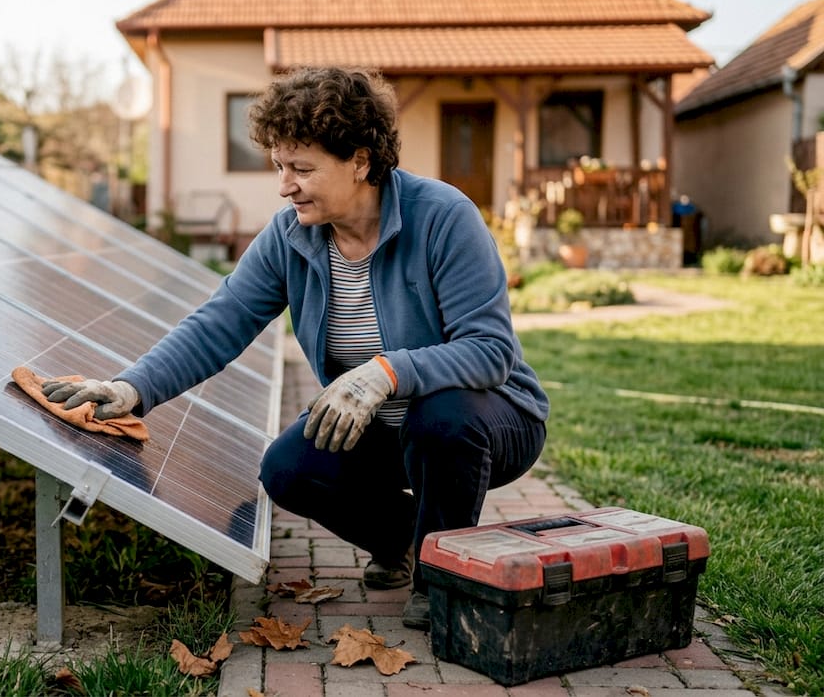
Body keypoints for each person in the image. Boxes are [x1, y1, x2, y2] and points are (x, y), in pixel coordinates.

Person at [43, 66, 548, 630]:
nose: (285, 186)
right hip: (381, 427)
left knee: (441, 418)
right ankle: (405, 538)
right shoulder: (290, 237)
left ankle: (441, 580)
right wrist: (131, 387)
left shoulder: (443, 217)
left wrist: (386, 372)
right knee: (287, 470)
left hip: (487, 421)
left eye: (302, 169)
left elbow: (489, 350)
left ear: (360, 161)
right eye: (279, 167)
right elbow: (218, 323)